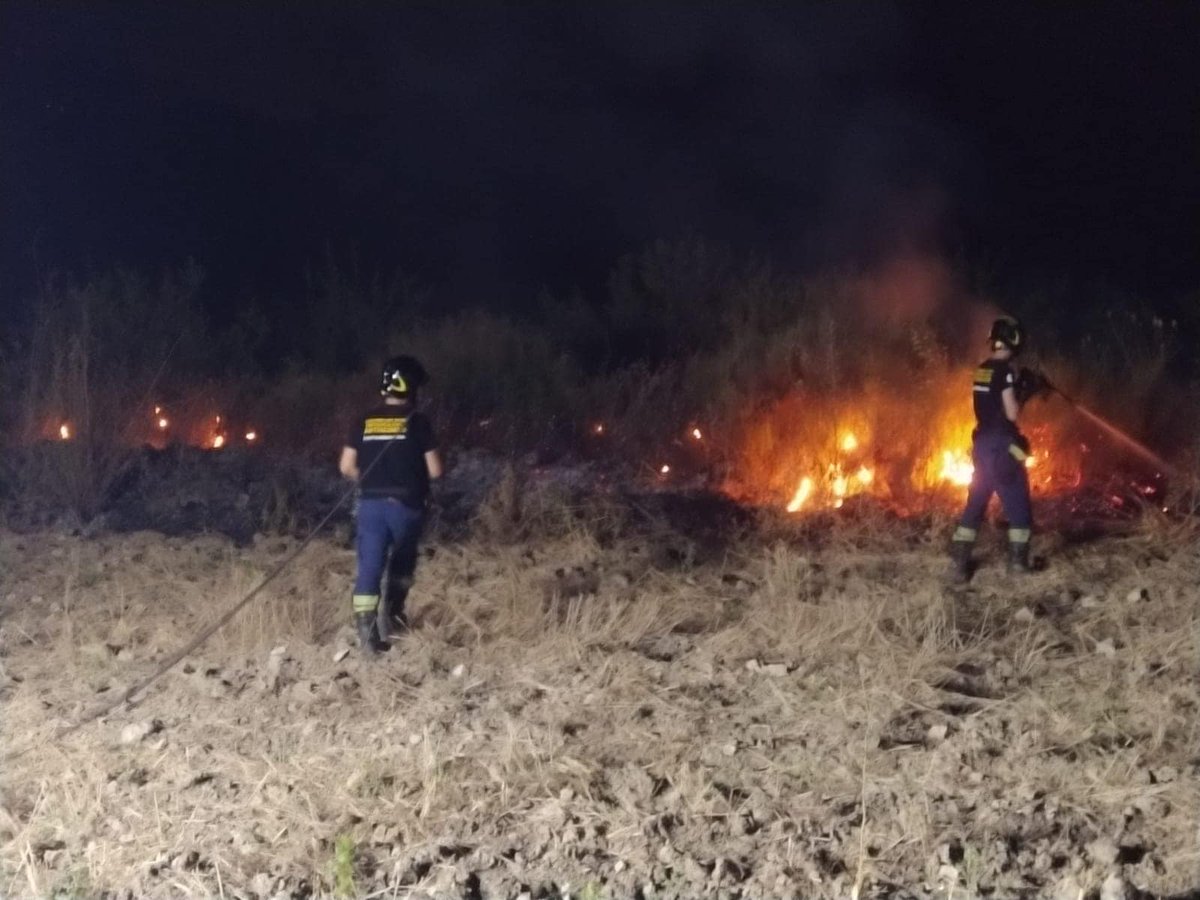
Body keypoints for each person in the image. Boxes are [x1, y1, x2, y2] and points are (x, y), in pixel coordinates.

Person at [339, 355, 443, 654]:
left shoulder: (363, 420)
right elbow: (435, 470)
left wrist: (370, 479)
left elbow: (346, 466)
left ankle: (367, 635)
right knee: (402, 563)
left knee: (369, 566)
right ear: (411, 388)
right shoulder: (418, 422)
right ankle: (393, 619)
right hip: (406, 507)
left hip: (370, 507)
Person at [950, 316, 1037, 582]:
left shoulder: (982, 369)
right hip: (1002, 445)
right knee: (1018, 504)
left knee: (975, 503)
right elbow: (1011, 412)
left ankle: (959, 566)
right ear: (1014, 339)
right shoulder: (1006, 370)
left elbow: (987, 402)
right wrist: (1025, 391)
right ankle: (1018, 565)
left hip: (982, 444)